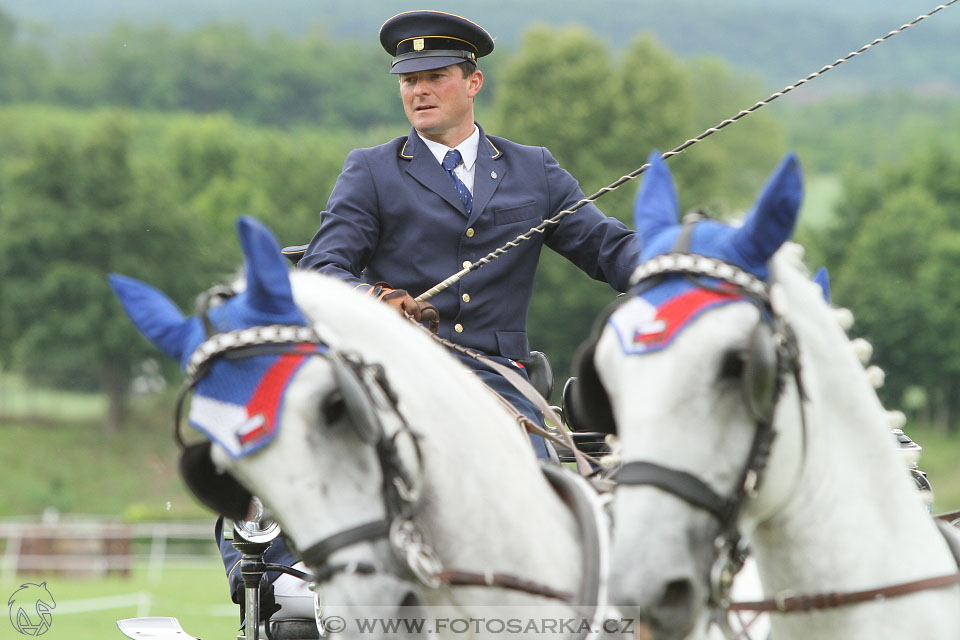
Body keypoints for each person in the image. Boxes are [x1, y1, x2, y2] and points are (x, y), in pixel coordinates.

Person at [297, 9, 640, 458]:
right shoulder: (371, 170)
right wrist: (376, 299)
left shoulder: (533, 168)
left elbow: (609, 248)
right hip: (401, 373)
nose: (419, 91)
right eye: (408, 81)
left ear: (473, 82)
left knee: (539, 486)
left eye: (435, 76)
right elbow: (319, 267)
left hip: (503, 381)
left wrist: (685, 269)